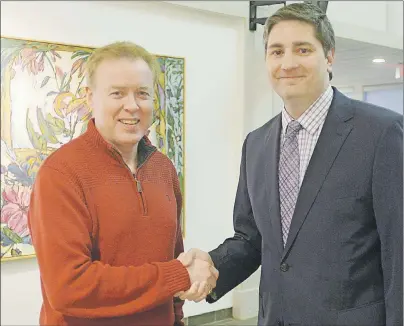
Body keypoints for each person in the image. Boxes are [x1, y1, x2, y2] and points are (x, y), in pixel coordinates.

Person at [177, 3, 403, 326]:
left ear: (329, 56)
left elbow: (399, 253)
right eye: (277, 51)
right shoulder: (256, 144)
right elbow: (252, 240)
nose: (288, 63)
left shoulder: (381, 134)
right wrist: (212, 266)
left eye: (303, 49)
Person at [28, 41, 218, 326]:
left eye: (142, 93)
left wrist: (177, 315)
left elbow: (173, 256)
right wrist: (178, 274)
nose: (132, 105)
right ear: (90, 98)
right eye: (117, 93)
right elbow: (68, 287)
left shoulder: (163, 168)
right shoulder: (60, 174)